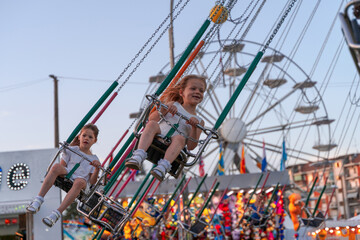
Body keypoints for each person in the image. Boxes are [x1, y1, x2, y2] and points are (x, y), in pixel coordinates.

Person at [125, 74, 206, 181]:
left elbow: (191, 146)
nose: (197, 92)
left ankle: (163, 166)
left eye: (201, 91)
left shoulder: (199, 121)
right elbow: (152, 119)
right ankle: (139, 155)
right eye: (193, 88)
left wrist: (194, 128)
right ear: (181, 92)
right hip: (158, 136)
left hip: (175, 145)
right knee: (152, 125)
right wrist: (165, 109)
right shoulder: (173, 104)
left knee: (180, 138)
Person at [26, 123, 101, 227]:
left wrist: (97, 168)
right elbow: (62, 166)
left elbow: (92, 182)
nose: (86, 138)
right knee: (56, 166)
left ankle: (57, 213)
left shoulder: (94, 159)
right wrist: (67, 149)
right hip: (68, 173)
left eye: (90, 137)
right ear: (79, 137)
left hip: (81, 182)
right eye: (84, 135)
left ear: (95, 141)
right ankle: (38, 199)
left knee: (79, 182)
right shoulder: (72, 150)